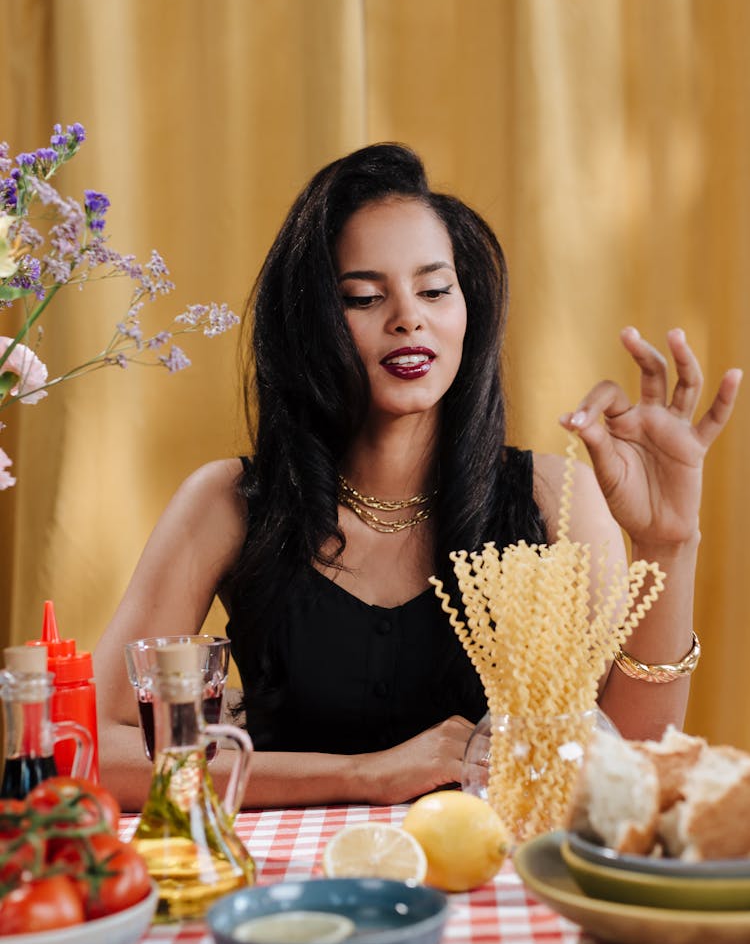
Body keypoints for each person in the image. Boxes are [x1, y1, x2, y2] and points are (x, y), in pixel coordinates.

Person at [94, 143, 742, 812]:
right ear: (311, 323)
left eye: (435, 289)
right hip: (292, 899)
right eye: (365, 297)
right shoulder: (226, 504)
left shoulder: (556, 501)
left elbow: (632, 768)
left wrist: (667, 546)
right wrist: (365, 774)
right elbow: (97, 750)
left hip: (493, 893)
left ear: (470, 309)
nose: (409, 317)